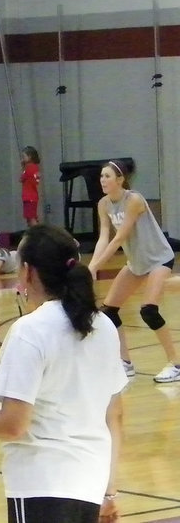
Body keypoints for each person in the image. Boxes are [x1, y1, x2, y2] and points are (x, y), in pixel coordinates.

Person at [0, 224, 127, 523]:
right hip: (91, 482)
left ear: (28, 272)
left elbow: (12, 425)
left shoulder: (29, 331)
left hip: (41, 483)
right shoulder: (104, 325)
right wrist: (109, 492)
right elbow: (114, 415)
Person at [88, 159, 179, 383]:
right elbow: (104, 237)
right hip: (136, 263)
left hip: (158, 258)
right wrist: (91, 265)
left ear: (120, 180)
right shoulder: (104, 204)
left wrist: (97, 266)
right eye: (101, 176)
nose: (102, 180)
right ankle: (125, 363)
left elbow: (120, 237)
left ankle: (176, 364)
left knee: (149, 310)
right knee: (109, 312)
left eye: (107, 176)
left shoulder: (134, 200)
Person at [21, 146, 41, 227]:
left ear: (29, 157)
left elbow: (21, 178)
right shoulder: (35, 167)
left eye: (24, 156)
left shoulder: (29, 168)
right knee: (31, 217)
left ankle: (36, 233)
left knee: (31, 218)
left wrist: (23, 167)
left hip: (29, 197)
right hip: (32, 196)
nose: (22, 159)